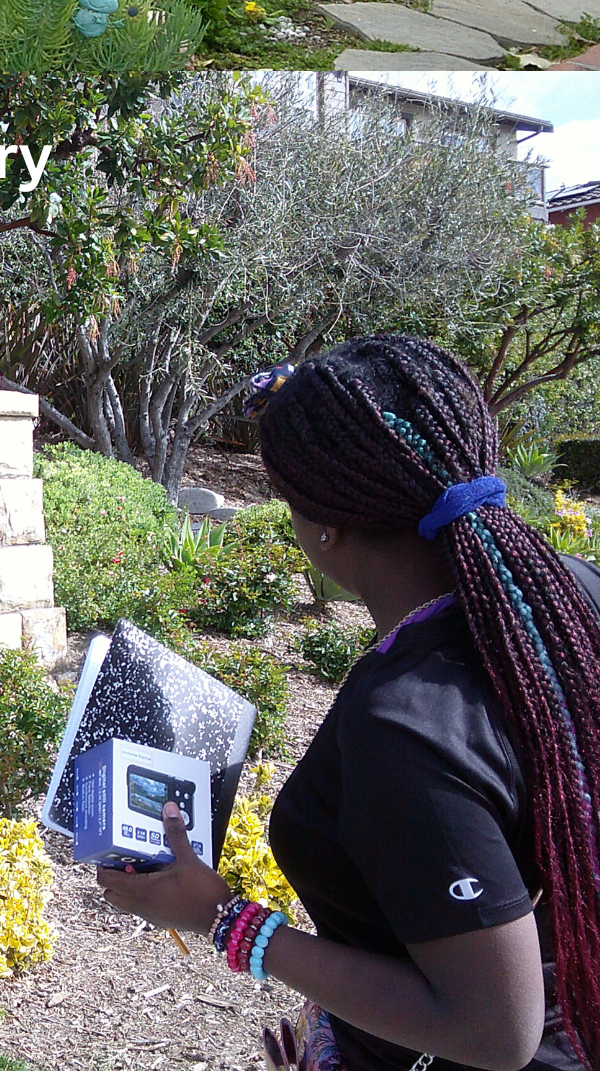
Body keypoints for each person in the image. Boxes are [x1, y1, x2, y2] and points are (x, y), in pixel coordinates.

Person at [97, 335, 600, 1071]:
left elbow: (493, 1029)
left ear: (321, 528)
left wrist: (222, 919)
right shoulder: (566, 596)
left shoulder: (404, 726)